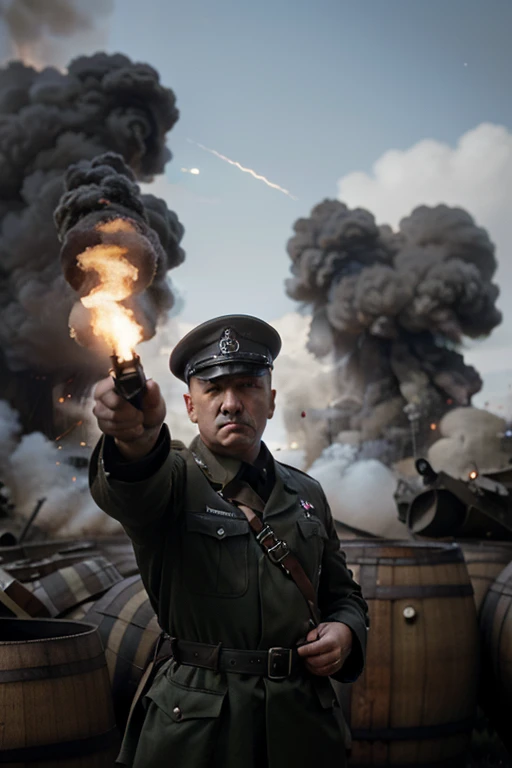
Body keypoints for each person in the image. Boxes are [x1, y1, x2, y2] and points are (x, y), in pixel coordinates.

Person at [90, 314, 369, 768]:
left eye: (248, 386)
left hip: (303, 727)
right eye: (214, 390)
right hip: (198, 732)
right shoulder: (173, 478)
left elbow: (344, 595)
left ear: (272, 400)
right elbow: (132, 487)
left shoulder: (308, 493)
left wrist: (346, 633)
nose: (232, 403)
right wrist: (133, 439)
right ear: (189, 405)